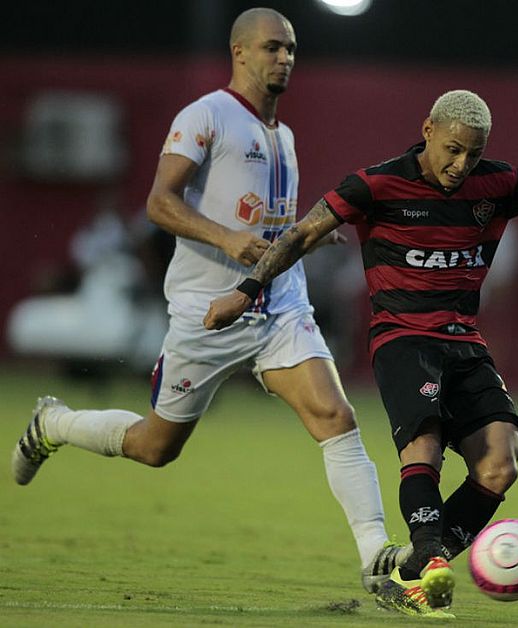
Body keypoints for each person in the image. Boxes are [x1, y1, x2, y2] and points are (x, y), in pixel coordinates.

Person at [203, 89, 518, 618]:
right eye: (453, 149)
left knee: (499, 466)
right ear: (428, 131)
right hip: (402, 339)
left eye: (473, 152)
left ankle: (418, 568)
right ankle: (428, 563)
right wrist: (246, 290)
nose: (461, 164)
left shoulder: (500, 183)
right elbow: (303, 233)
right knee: (425, 448)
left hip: (464, 341)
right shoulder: (375, 184)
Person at [11, 8, 406, 594]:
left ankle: (377, 558)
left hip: (279, 309)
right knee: (154, 447)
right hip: (205, 313)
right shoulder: (206, 116)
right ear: (239, 51)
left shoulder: (284, 135)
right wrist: (226, 239)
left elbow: (267, 225)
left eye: (292, 49)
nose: (286, 58)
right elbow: (158, 203)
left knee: (335, 416)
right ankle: (55, 423)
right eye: (273, 47)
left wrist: (309, 236)